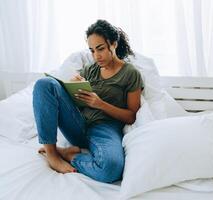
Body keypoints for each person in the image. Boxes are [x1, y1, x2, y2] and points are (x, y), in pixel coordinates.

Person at [33, 19, 143, 183]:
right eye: (92, 51)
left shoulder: (130, 73)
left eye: (100, 49)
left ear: (113, 44)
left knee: (110, 169)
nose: (96, 56)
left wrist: (100, 104)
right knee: (45, 84)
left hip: (105, 128)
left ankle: (70, 155)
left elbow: (131, 116)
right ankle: (52, 154)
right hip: (77, 123)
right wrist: (72, 86)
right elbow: (72, 103)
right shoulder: (91, 70)